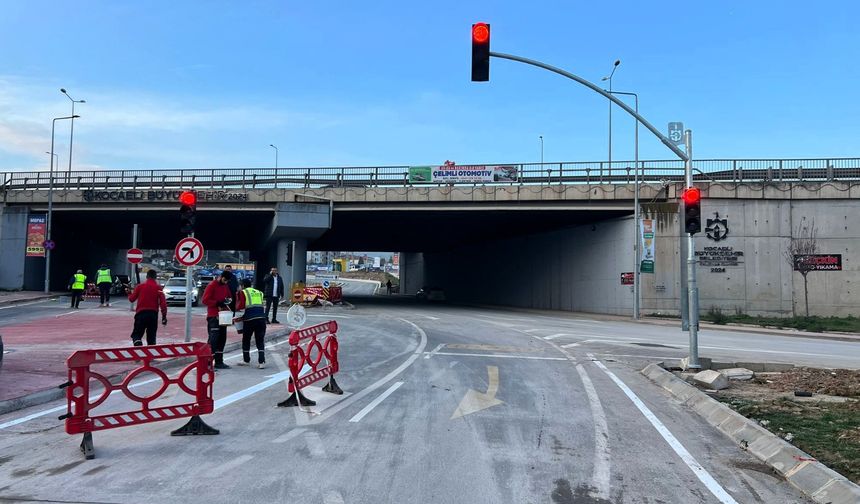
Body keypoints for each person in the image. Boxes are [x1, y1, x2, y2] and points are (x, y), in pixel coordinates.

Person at [127, 269, 167, 346]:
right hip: (153, 315)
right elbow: (163, 304)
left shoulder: (140, 287)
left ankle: (138, 343)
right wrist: (164, 317)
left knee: (136, 334)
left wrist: (128, 293)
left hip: (141, 314)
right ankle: (151, 354)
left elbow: (131, 299)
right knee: (151, 337)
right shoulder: (159, 288)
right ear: (155, 277)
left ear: (146, 277)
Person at [202, 271, 233, 369]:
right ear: (220, 277)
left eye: (227, 281)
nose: (225, 282)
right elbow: (205, 300)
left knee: (222, 339)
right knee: (213, 340)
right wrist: (217, 303)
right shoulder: (212, 285)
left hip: (223, 316)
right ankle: (208, 362)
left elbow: (229, 297)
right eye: (224, 280)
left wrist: (227, 301)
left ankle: (219, 361)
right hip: (213, 316)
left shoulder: (225, 285)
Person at [235, 278, 267, 368]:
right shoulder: (259, 292)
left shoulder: (243, 292)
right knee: (260, 340)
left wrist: (237, 317)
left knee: (246, 339)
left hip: (250, 319)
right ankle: (262, 362)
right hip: (261, 319)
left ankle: (246, 360)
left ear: (243, 286)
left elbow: (240, 307)